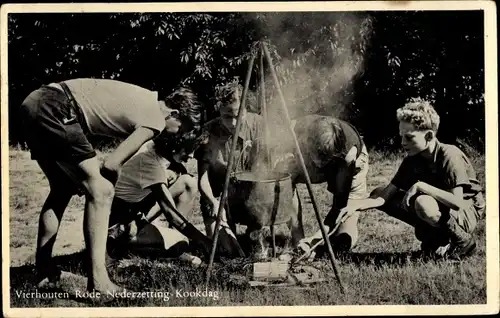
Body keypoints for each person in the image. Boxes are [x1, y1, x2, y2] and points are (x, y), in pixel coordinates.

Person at [19, 78, 201, 292]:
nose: (178, 134)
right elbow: (112, 163)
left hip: (35, 102)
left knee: (62, 189)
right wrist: (109, 189)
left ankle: (44, 271)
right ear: (175, 114)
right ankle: (99, 282)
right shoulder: (157, 120)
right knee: (102, 190)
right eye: (182, 128)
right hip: (57, 106)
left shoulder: (146, 99)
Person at [336, 99, 485, 259]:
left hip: (467, 211)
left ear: (429, 136)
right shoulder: (412, 159)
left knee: (423, 202)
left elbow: (458, 202)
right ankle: (435, 238)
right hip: (443, 209)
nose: (402, 143)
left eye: (409, 137)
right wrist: (355, 205)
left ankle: (462, 241)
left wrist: (422, 186)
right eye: (401, 137)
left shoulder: (449, 155)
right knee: (378, 191)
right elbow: (383, 196)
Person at [107, 127, 208, 266]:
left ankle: (164, 245)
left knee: (187, 182)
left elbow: (179, 172)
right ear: (175, 145)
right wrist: (204, 240)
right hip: (119, 220)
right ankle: (119, 244)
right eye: (189, 149)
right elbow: (171, 214)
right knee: (180, 240)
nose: (191, 156)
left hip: (134, 210)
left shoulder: (152, 148)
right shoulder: (150, 163)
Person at [275, 115, 369, 257]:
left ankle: (321, 242)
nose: (320, 163)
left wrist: (314, 240)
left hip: (349, 164)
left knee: (344, 241)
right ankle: (297, 237)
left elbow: (340, 207)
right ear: (307, 142)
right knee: (285, 174)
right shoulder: (295, 132)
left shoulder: (348, 157)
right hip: (311, 156)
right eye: (318, 155)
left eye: (326, 157)